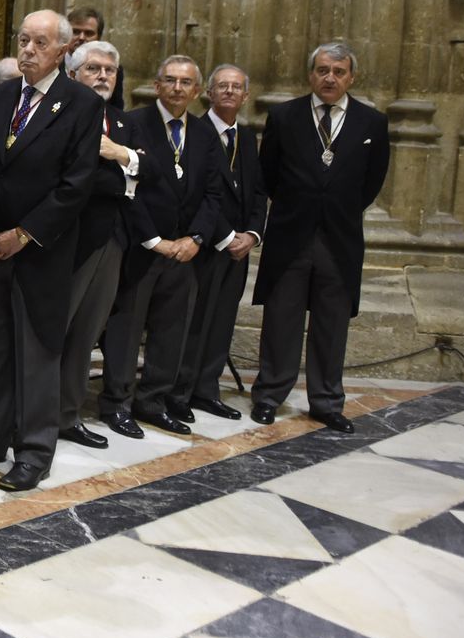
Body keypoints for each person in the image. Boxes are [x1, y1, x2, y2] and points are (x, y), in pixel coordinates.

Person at [0, 10, 98, 492]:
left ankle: (33, 450)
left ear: (63, 50)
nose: (27, 49)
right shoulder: (3, 96)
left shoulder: (80, 104)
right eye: (23, 40)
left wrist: (23, 234)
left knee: (37, 352)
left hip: (40, 250)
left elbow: (76, 185)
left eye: (39, 42)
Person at [250, 42, 390, 432]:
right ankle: (268, 395)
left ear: (351, 77)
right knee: (281, 319)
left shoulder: (371, 123)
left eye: (339, 71)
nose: (330, 77)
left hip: (339, 239)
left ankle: (327, 401)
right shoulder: (283, 116)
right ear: (310, 74)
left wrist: (336, 208)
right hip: (290, 234)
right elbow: (269, 174)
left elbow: (371, 181)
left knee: (332, 323)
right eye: (323, 70)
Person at [97, 55, 227, 438]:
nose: (177, 88)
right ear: (156, 85)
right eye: (169, 80)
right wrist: (154, 240)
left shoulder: (204, 134)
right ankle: (116, 403)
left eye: (186, 82)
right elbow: (126, 188)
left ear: (197, 90)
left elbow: (213, 194)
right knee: (126, 327)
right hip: (143, 246)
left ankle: (152, 400)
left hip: (185, 251)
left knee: (172, 330)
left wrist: (196, 239)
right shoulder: (133, 123)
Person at [57, 41, 139, 450]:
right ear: (73, 74)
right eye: (93, 68)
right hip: (69, 238)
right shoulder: (62, 116)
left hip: (112, 240)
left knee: (86, 333)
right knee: (57, 330)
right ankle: (34, 414)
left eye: (110, 69)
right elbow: (82, 181)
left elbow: (151, 171)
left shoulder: (123, 124)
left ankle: (67, 414)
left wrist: (123, 158)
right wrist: (124, 175)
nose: (104, 75)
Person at [171, 64, 265, 419]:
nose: (229, 91)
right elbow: (199, 193)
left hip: (239, 249)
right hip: (207, 242)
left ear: (246, 95)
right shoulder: (193, 132)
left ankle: (207, 388)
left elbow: (257, 192)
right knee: (194, 320)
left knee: (222, 319)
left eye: (236, 87)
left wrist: (252, 234)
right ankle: (179, 391)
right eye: (221, 86)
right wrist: (225, 236)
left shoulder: (248, 136)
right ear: (208, 92)